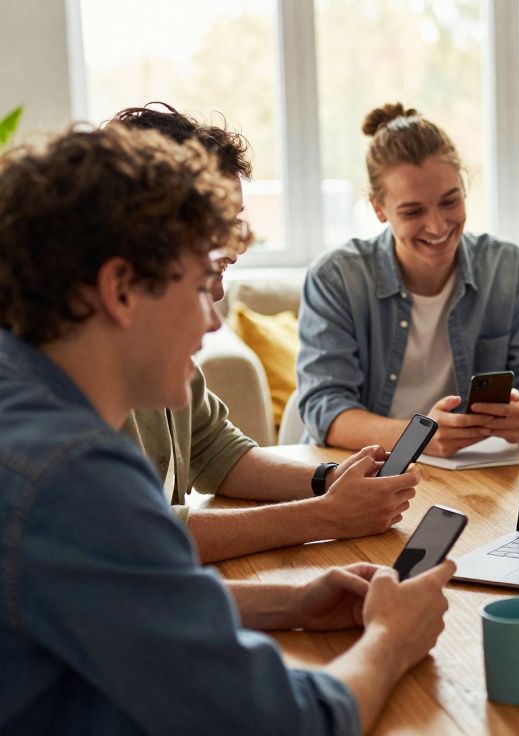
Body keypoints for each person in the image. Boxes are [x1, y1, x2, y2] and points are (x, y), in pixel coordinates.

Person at [0, 124, 455, 733]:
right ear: (120, 289)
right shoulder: (75, 476)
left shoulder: (22, 401)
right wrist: (393, 638)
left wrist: (293, 601)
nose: (212, 320)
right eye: (199, 284)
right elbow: (285, 723)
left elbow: (124, 598)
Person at [112, 102, 414, 564]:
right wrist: (325, 516)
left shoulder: (160, 339)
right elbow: (131, 537)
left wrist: (327, 481)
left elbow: (213, 449)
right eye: (223, 220)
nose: (238, 241)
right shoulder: (83, 369)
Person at [297, 103, 519, 457]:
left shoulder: (508, 269)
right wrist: (418, 438)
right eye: (413, 211)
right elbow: (325, 408)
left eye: (450, 202)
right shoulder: (336, 279)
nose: (437, 227)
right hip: (368, 466)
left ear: (464, 188)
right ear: (379, 208)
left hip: (476, 469)